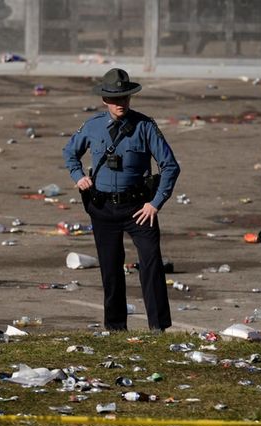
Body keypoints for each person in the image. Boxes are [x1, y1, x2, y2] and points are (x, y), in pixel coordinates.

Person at [62, 68, 180, 332]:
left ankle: (158, 327)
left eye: (124, 98)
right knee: (111, 269)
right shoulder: (92, 126)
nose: (120, 104)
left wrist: (156, 203)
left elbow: (170, 166)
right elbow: (70, 152)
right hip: (103, 208)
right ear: (105, 100)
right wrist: (78, 176)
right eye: (115, 99)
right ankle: (115, 328)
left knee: (151, 265)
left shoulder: (145, 126)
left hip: (139, 208)